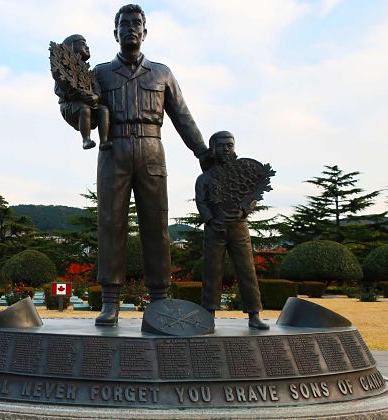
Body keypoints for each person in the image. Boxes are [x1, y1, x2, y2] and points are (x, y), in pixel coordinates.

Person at [93, 4, 210, 326]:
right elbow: (82, 117)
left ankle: (160, 299)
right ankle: (110, 301)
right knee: (110, 224)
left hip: (151, 148)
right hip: (112, 148)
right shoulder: (100, 74)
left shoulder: (162, 73)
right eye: (124, 24)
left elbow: (182, 116)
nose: (130, 28)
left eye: (136, 23)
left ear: (145, 31)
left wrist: (202, 151)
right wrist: (68, 100)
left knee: (156, 226)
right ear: (114, 32)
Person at [195, 131, 270, 330]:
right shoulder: (204, 178)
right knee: (212, 272)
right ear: (212, 150)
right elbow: (201, 203)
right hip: (215, 229)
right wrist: (211, 219)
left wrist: (245, 209)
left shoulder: (244, 173)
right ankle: (209, 313)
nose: (226, 149)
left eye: (230, 145)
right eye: (221, 146)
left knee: (247, 271)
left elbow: (253, 195)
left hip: (239, 229)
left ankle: (254, 314)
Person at [54, 34, 111, 151]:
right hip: (71, 106)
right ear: (70, 47)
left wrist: (96, 97)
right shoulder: (63, 69)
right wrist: (77, 94)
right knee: (84, 109)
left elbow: (96, 89)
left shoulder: (88, 72)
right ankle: (86, 139)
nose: (87, 47)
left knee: (103, 110)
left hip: (91, 104)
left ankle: (104, 141)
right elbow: (60, 90)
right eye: (82, 44)